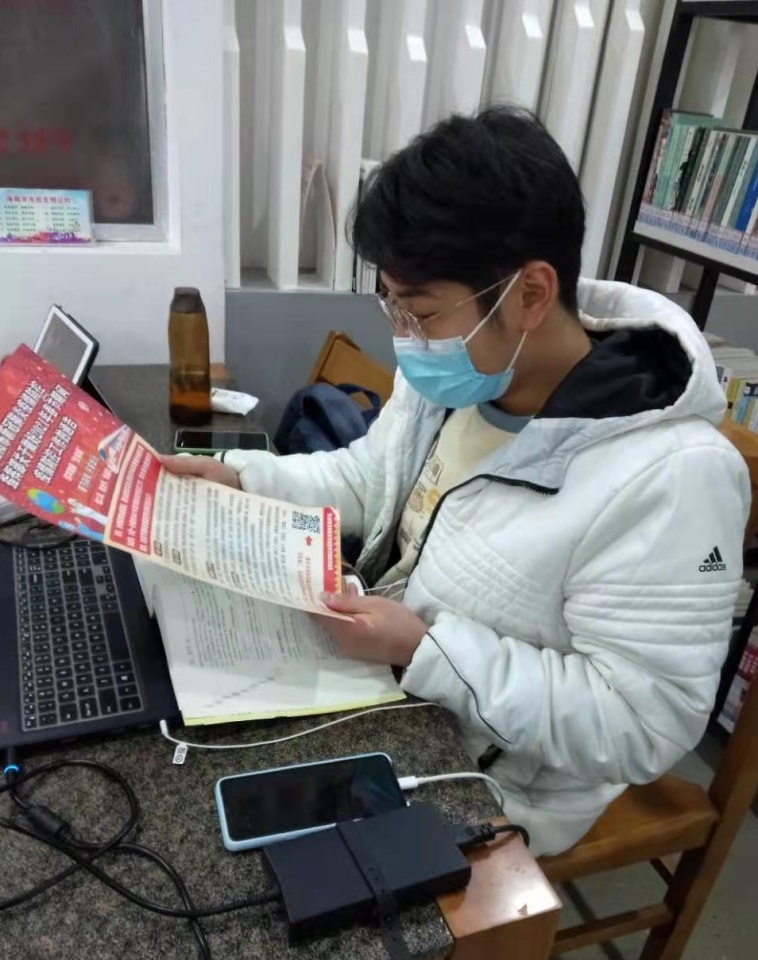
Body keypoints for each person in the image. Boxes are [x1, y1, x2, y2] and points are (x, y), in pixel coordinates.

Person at [163, 107, 749, 856]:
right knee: (177, 727)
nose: (404, 339)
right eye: (394, 308)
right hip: (390, 676)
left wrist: (427, 650)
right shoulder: (465, 373)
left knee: (236, 853)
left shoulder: (672, 479)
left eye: (421, 313)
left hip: (491, 771)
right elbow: (369, 479)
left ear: (531, 294)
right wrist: (242, 480)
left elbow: (642, 723)